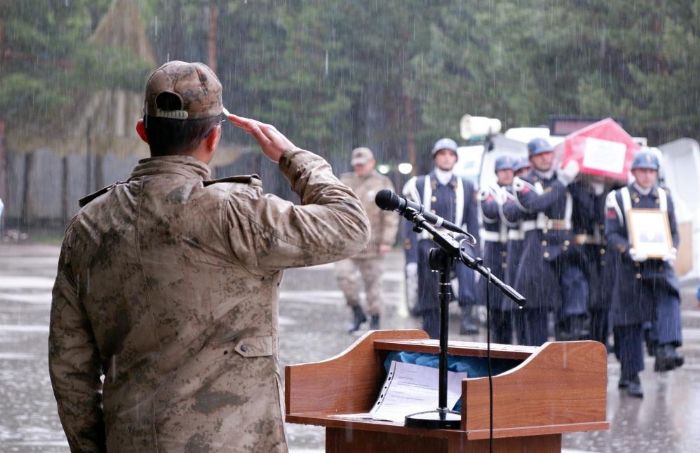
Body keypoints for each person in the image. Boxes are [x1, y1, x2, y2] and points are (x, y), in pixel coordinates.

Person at [48, 60, 370, 452]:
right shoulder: (234, 215)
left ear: (142, 131)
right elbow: (351, 226)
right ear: (214, 138)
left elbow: (70, 368)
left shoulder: (88, 225)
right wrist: (293, 158)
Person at [605, 150, 684, 398]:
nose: (647, 176)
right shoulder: (618, 198)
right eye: (643, 171)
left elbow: (674, 231)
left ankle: (666, 348)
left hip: (659, 265)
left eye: (651, 171)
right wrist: (628, 249)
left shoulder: (665, 197)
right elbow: (611, 234)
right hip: (631, 267)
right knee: (630, 323)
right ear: (634, 172)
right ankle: (630, 376)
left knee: (669, 300)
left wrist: (672, 248)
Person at [503, 138, 580, 345]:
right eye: (540, 155)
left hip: (564, 249)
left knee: (571, 311)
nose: (545, 158)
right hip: (538, 251)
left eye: (548, 153)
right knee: (536, 311)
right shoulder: (523, 182)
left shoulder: (565, 179)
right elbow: (537, 203)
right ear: (531, 159)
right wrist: (563, 182)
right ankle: (536, 362)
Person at [402, 138, 480, 338]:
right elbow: (409, 224)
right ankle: (430, 325)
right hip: (429, 240)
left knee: (468, 264)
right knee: (430, 282)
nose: (446, 158)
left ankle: (467, 313)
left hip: (456, 241)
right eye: (442, 154)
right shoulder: (419, 184)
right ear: (435, 157)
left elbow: (472, 224)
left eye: (450, 154)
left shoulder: (467, 186)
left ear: (455, 159)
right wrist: (410, 259)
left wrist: (477, 252)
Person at [335, 147, 399, 332]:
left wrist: (387, 241)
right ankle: (356, 311)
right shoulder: (345, 181)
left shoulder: (382, 183)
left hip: (373, 243)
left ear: (372, 163)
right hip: (347, 243)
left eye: (363, 164)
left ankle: (375, 318)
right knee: (344, 277)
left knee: (373, 285)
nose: (359, 168)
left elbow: (390, 215)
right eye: (356, 165)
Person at [479, 156, 515, 343]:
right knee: (494, 300)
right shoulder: (489, 190)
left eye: (511, 170)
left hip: (512, 248)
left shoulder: (517, 189)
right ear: (497, 173)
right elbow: (490, 209)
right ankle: (498, 342)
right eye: (504, 170)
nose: (508, 174)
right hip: (494, 250)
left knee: (510, 300)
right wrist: (511, 205)